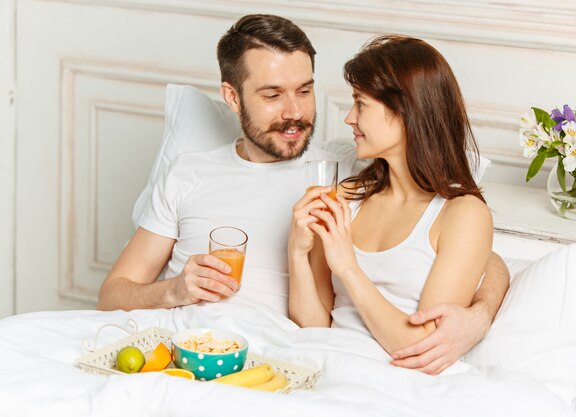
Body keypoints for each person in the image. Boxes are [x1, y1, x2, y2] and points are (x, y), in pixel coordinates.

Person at [97, 14, 508, 375]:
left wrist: (480, 315)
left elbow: (476, 251)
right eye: (273, 95)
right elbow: (113, 295)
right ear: (232, 97)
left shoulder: (342, 173)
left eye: (305, 90)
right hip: (178, 346)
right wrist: (174, 292)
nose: (294, 111)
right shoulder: (188, 172)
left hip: (276, 357)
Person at [288, 35, 506, 375]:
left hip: (400, 381)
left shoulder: (462, 215)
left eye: (361, 104)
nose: (349, 118)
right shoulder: (346, 196)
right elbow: (313, 323)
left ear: (405, 112)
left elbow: (420, 349)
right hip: (328, 364)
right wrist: (297, 251)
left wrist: (348, 268)